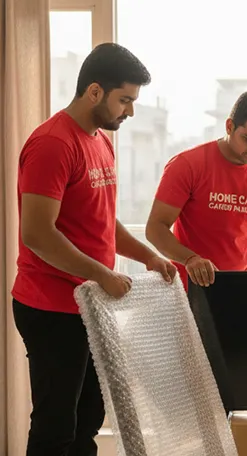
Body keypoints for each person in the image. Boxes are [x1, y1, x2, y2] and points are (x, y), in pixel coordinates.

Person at [12, 42, 177, 456]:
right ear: (94, 92)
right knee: (56, 426)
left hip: (89, 303)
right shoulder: (53, 144)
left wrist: (148, 256)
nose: (130, 111)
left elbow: (102, 219)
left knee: (88, 419)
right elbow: (37, 233)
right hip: (51, 306)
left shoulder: (100, 141)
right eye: (125, 100)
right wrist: (103, 274)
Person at [145, 90, 247, 290]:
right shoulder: (187, 165)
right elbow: (155, 229)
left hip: (238, 289)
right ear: (229, 126)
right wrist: (190, 259)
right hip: (188, 290)